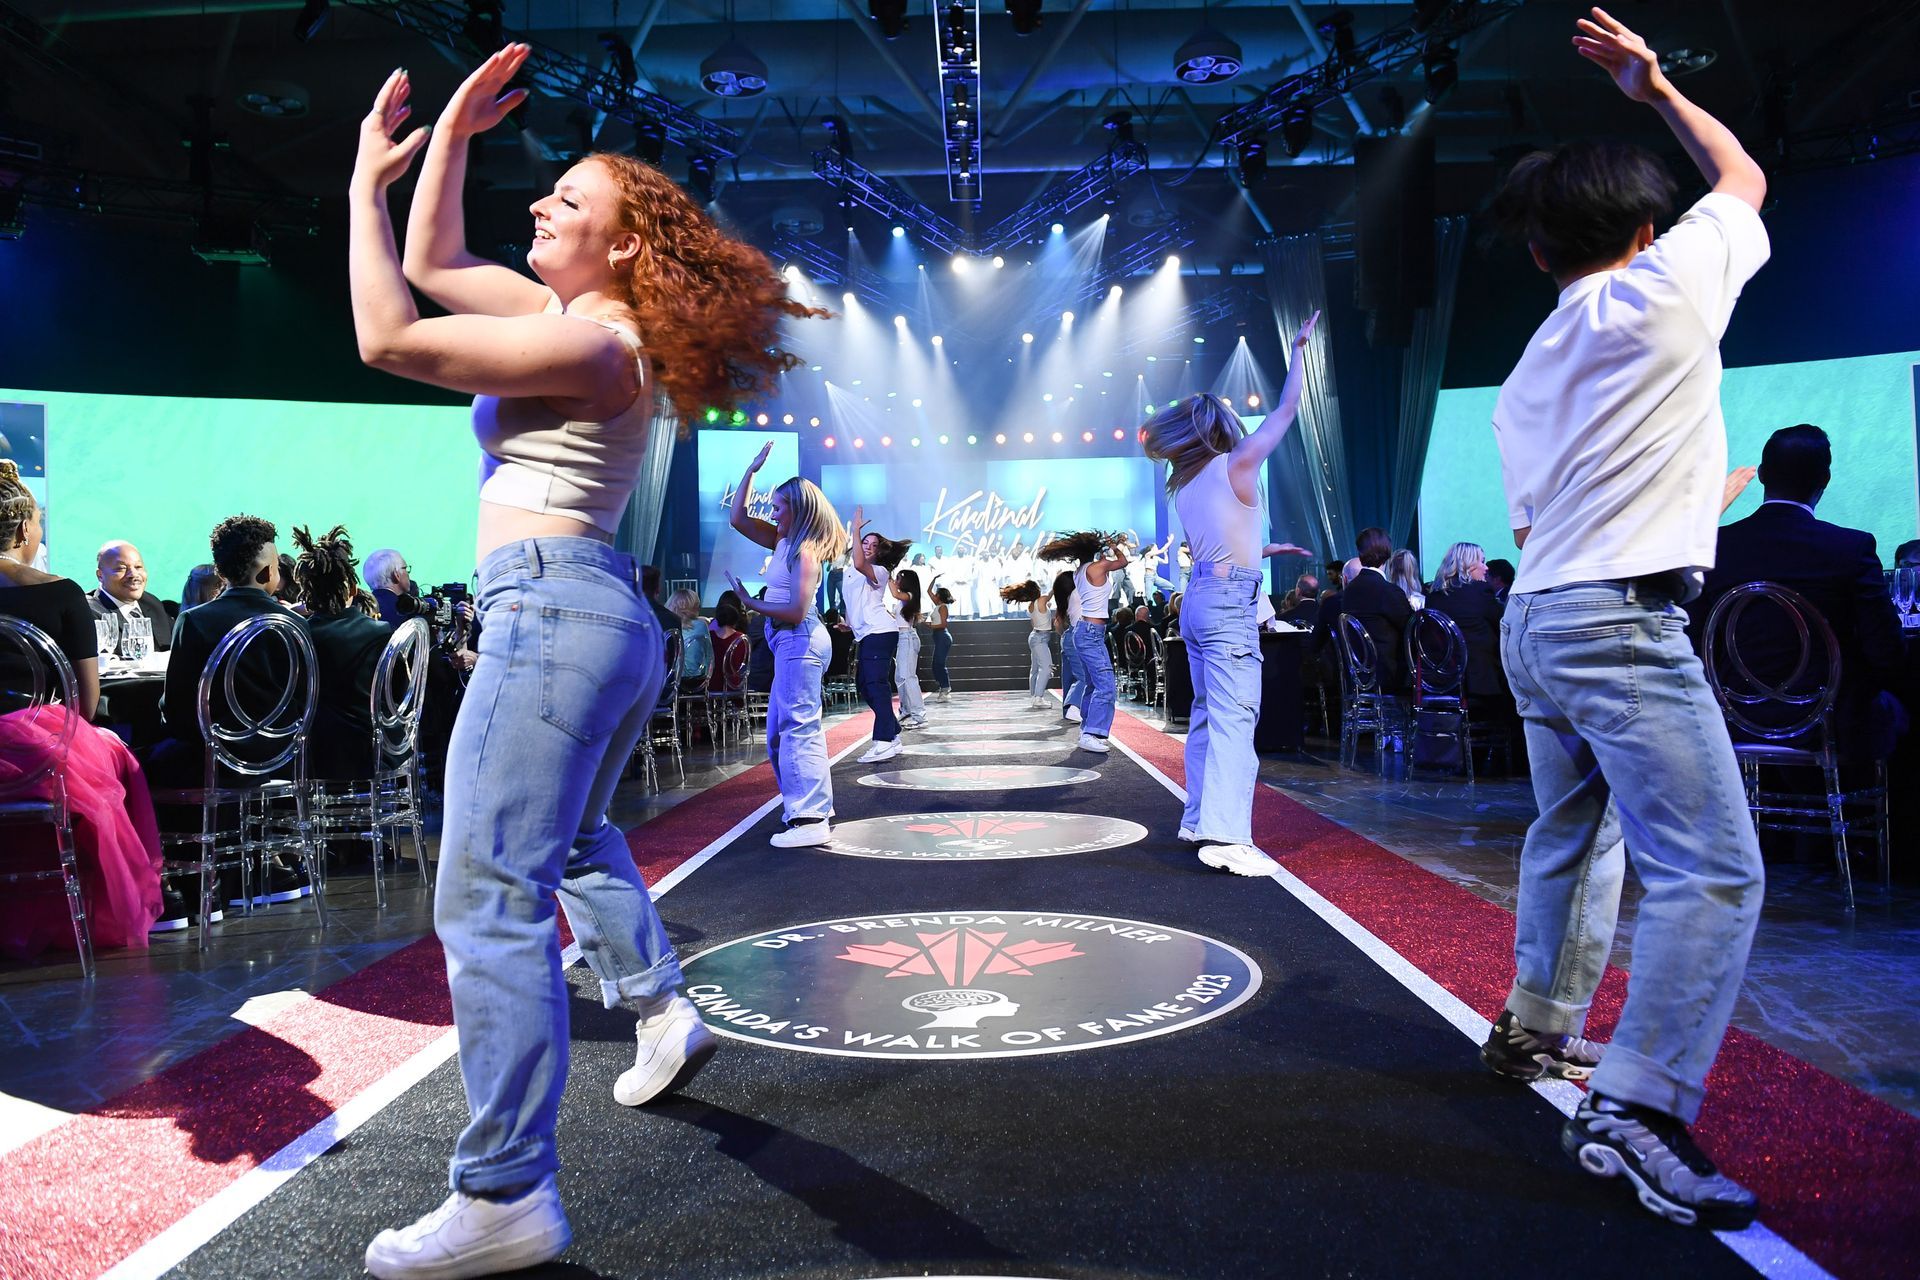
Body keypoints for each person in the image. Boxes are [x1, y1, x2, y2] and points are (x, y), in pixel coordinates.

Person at [348, 46, 820, 1276]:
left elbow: (387, 331)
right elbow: (434, 264)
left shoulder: (600, 347)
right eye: (545, 190)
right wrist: (444, 142)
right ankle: (660, 1005)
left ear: (620, 247)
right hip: (588, 612)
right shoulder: (573, 319)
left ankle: (503, 1190)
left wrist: (360, 184)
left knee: (485, 893)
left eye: (568, 200)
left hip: (553, 610)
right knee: (564, 844)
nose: (541, 206)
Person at [1479, 7, 1770, 1230]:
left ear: (1541, 257)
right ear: (1644, 234)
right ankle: (1639, 1106)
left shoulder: (1526, 371)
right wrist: (1653, 90)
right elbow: (1744, 177)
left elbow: (1546, 521)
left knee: (1572, 833)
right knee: (1713, 869)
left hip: (1538, 618)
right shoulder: (1666, 288)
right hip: (1615, 620)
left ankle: (1537, 1028)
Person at [1140, 317, 1317, 876]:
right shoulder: (1234, 465)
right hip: (1227, 605)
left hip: (1200, 601)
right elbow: (1285, 414)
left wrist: (1263, 551)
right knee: (1236, 716)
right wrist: (1297, 353)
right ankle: (1226, 835)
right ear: (1223, 429)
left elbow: (1215, 549)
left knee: (1206, 717)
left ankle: (1198, 819)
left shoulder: (1187, 484)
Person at [0, 461, 163, 959]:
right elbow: (85, 704)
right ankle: (90, 907)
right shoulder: (63, 593)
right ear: (27, 526)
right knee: (110, 757)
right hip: (37, 749)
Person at [1691, 424, 1908, 760]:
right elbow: (1887, 653)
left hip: (1734, 724)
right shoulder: (1851, 548)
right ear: (1825, 479)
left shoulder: (1717, 547)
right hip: (1830, 728)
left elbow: (1696, 642)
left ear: (1762, 475)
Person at [726, 445, 848, 848]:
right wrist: (751, 469)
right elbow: (737, 517)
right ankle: (811, 807)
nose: (774, 514)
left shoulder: (805, 551)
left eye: (779, 508)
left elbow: (796, 610)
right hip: (788, 642)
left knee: (798, 727)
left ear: (798, 510)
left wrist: (751, 603)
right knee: (780, 733)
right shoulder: (781, 542)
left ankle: (810, 816)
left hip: (799, 638)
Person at [289, 524, 392, 784]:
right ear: (354, 590)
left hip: (312, 757)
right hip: (376, 752)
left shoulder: (298, 635)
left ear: (306, 593)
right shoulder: (379, 632)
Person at [1038, 531, 1131, 753]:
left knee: (1092, 683)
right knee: (1105, 684)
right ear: (1094, 551)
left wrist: (1106, 548)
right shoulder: (1097, 567)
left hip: (1087, 631)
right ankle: (1091, 733)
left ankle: (1086, 729)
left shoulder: (1080, 571)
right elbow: (1123, 561)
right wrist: (1113, 546)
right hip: (1090, 631)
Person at [844, 509, 910, 763]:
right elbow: (853, 603)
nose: (868, 547)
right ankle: (892, 733)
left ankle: (883, 741)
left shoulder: (879, 570)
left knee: (875, 685)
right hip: (866, 634)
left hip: (881, 632)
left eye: (873, 545)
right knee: (865, 686)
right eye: (865, 543)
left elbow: (861, 563)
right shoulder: (848, 572)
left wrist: (856, 529)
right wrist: (848, 624)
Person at [1424, 542, 1510, 717]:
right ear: (1469, 566)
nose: (1486, 568)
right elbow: (1504, 626)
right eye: (1482, 561)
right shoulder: (1481, 592)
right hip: (1478, 683)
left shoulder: (1433, 597)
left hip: (1442, 680)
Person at [1339, 528, 1415, 691]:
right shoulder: (1387, 591)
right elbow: (1411, 628)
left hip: (1356, 673)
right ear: (1388, 554)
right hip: (1387, 673)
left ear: (1360, 554)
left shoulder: (1349, 591)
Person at [90, 541, 174, 654]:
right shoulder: (89, 611)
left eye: (138, 567)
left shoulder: (151, 602)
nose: (134, 574)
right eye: (121, 568)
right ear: (100, 575)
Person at [1003, 580, 1052, 706]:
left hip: (1035, 636)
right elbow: (1052, 592)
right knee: (1046, 668)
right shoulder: (1041, 601)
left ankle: (1034, 696)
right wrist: (1057, 578)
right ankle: (1038, 698)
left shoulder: (1032, 605)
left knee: (1035, 669)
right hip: (1040, 637)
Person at [890, 568, 928, 729]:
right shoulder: (903, 601)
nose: (896, 582)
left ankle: (919, 715)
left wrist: (886, 575)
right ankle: (905, 710)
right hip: (902, 637)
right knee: (900, 677)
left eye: (898, 579)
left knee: (908, 677)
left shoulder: (909, 596)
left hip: (908, 638)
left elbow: (895, 593)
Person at [1051, 569, 1084, 723]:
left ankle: (1068, 709)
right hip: (1077, 637)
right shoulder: (1078, 594)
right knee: (1083, 676)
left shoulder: (1067, 598)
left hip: (1068, 637)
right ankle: (1073, 706)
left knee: (1069, 678)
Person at [665, 587, 713, 694]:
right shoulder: (701, 625)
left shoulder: (667, 625)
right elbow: (709, 656)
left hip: (670, 682)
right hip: (696, 681)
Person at [363, 548, 414, 625]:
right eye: (405, 568)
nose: (407, 573)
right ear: (396, 575)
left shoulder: (362, 609)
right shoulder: (406, 612)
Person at [927, 585, 954, 701]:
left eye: (937, 594)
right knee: (935, 665)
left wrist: (929, 625)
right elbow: (928, 591)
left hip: (942, 636)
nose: (935, 595)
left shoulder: (943, 607)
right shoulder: (938, 605)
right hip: (938, 636)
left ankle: (945, 688)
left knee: (939, 664)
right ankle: (943, 687)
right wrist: (934, 579)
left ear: (940, 596)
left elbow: (943, 624)